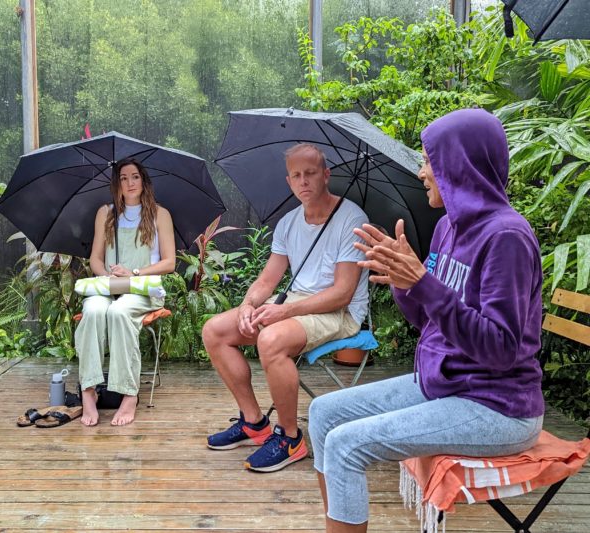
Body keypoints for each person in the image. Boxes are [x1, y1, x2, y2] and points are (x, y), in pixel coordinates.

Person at [307, 108, 545, 533]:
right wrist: (405, 281)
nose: (421, 172)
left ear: (461, 164)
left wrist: (425, 283)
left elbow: (501, 350)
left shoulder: (506, 237)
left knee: (346, 445)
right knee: (324, 413)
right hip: (444, 384)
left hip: (498, 406)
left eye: (429, 161)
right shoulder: (446, 228)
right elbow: (425, 319)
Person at [203, 143, 369, 473]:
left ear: (326, 175)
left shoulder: (351, 219)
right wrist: (248, 305)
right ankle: (253, 423)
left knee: (271, 340)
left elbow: (342, 294)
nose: (304, 181)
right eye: (296, 175)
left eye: (310, 173)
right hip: (297, 305)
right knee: (215, 331)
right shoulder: (289, 223)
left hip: (339, 313)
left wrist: (283, 312)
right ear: (289, 181)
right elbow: (268, 280)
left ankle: (290, 439)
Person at [76, 158, 176, 427]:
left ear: (143, 181)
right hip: (109, 286)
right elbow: (96, 259)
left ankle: (129, 393)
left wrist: (133, 273)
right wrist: (106, 275)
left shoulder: (159, 214)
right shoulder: (106, 213)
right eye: (123, 177)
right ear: (116, 183)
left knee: (120, 313)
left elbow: (169, 262)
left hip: (142, 289)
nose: (129, 183)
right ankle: (88, 390)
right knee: (94, 310)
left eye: (135, 177)